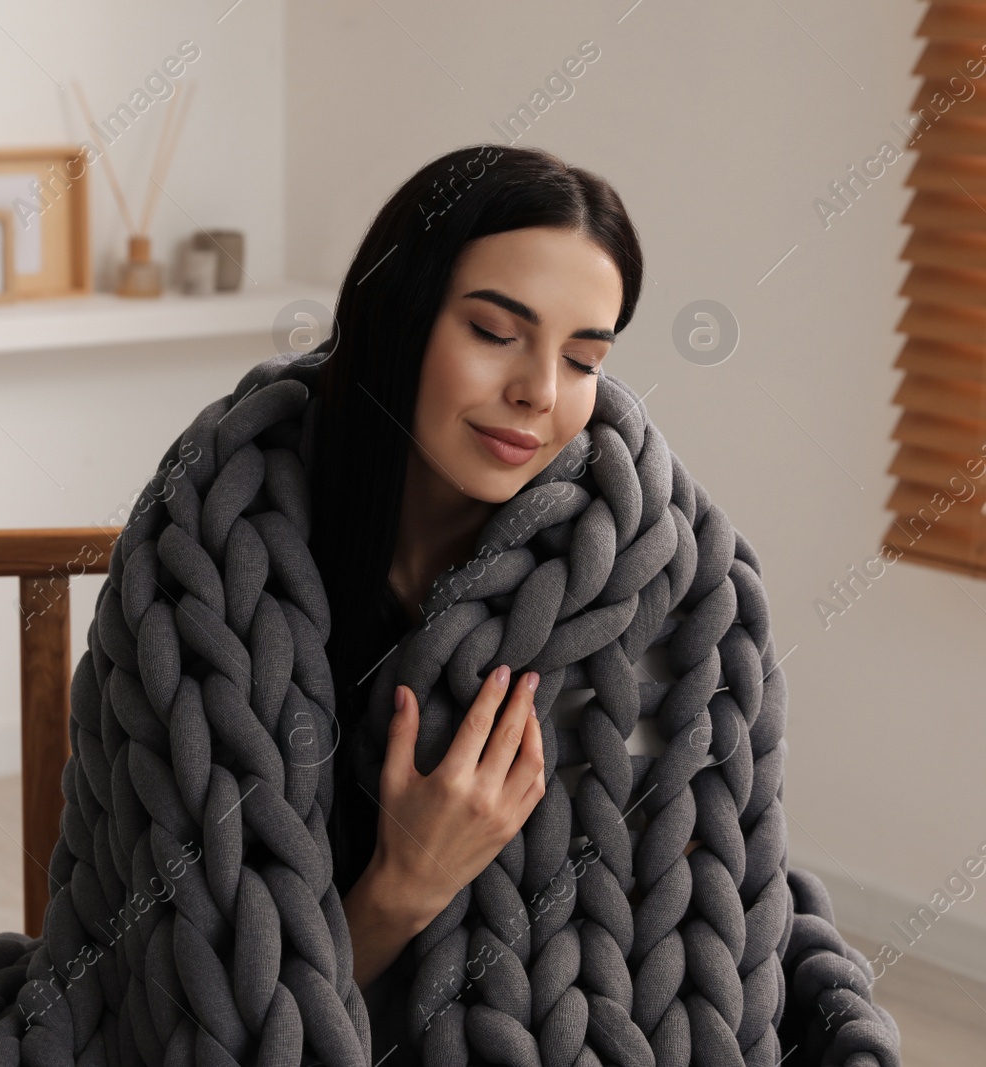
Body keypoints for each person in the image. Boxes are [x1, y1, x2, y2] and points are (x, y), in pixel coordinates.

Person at [304, 142, 643, 1064]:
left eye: (582, 358)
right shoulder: (212, 558)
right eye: (496, 332)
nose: (539, 389)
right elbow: (195, 1011)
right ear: (399, 319)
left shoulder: (658, 588)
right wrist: (407, 882)